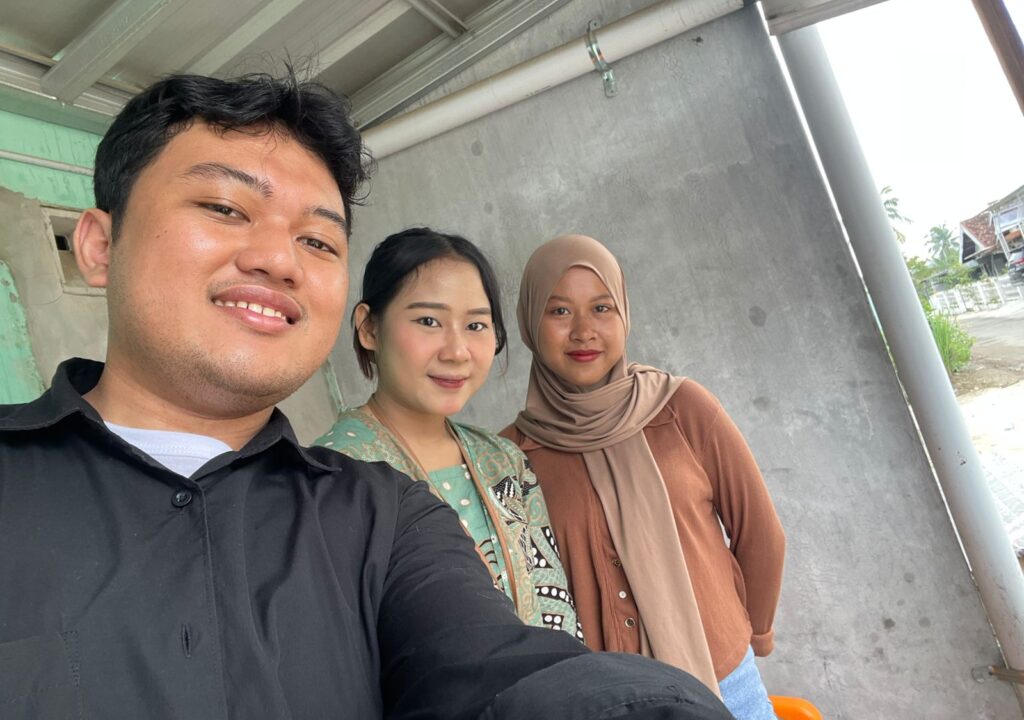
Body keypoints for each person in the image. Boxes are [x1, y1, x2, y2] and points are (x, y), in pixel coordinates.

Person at [0, 75, 732, 720]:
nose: (278, 259)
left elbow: (498, 665)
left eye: (318, 242)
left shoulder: (386, 518)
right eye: (224, 207)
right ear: (99, 246)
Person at [502, 234, 786, 720]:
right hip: (608, 702)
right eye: (560, 311)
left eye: (602, 308)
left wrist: (751, 632)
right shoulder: (508, 457)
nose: (584, 331)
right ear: (531, 322)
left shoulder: (682, 409)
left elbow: (760, 532)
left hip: (725, 681)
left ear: (624, 314)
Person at [316, 228, 582, 640]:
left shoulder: (505, 460)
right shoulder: (329, 478)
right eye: (429, 321)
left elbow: (556, 609)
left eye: (476, 325)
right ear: (369, 328)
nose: (457, 351)